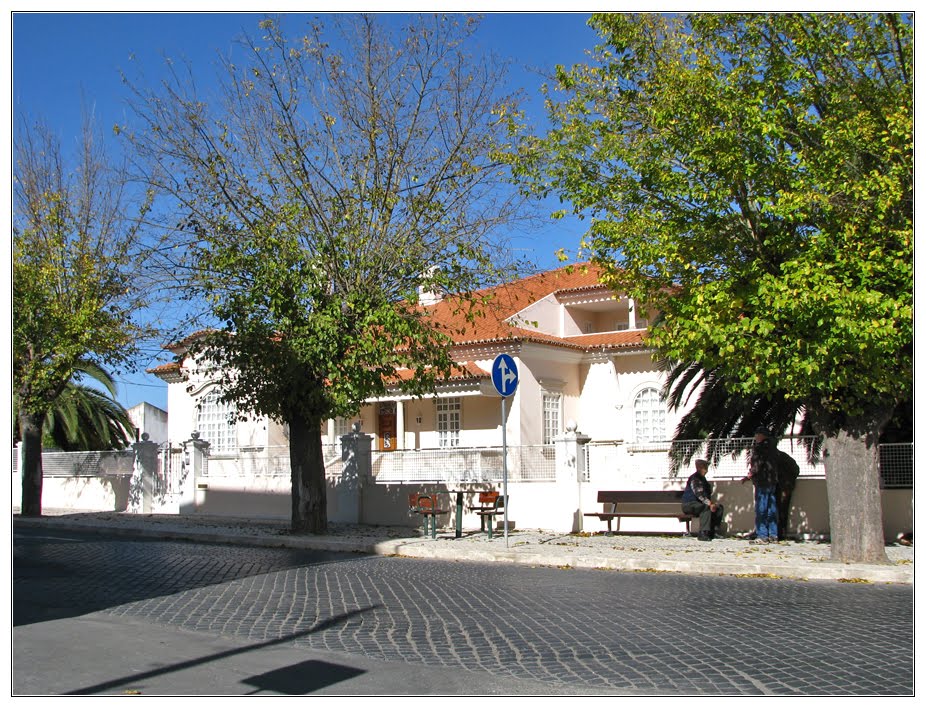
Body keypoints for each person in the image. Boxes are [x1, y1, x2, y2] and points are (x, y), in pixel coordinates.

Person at [742, 427, 779, 544]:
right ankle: (773, 534)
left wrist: (750, 474)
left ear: (761, 436)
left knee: (761, 509)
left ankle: (762, 535)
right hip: (772, 480)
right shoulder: (773, 447)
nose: (755, 437)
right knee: (771, 508)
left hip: (762, 481)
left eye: (757, 435)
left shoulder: (760, 447)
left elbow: (758, 463)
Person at [682, 459, 724, 541]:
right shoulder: (695, 478)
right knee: (706, 508)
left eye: (706, 467)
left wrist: (712, 504)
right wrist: (710, 504)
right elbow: (699, 495)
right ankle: (703, 533)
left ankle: (713, 531)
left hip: (698, 504)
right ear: (698, 467)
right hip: (689, 504)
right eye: (704, 467)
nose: (706, 469)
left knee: (719, 508)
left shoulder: (703, 479)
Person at [776, 449, 800, 541]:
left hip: (783, 487)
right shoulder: (785, 457)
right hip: (786, 487)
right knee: (783, 510)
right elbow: (796, 469)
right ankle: (781, 532)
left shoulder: (776, 458)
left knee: (780, 510)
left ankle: (780, 533)